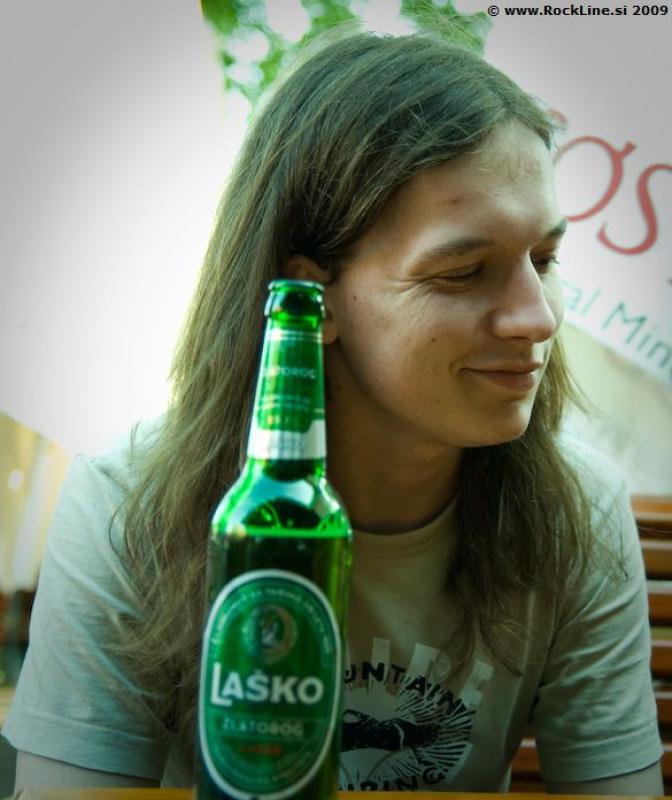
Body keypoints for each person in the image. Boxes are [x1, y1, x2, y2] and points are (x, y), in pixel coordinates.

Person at [3, 26, 663, 794]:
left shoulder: (576, 511)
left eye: (544, 260)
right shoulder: (127, 505)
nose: (538, 318)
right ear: (310, 298)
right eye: (463, 271)